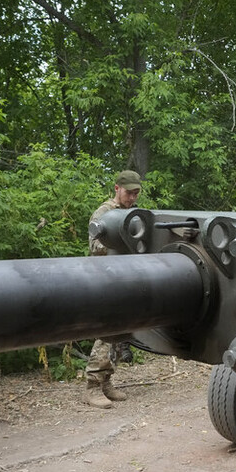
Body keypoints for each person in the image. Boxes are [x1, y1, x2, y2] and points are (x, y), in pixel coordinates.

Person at [84, 169, 142, 408]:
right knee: (106, 333)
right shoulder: (104, 213)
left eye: (136, 193)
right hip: (106, 279)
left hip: (125, 279)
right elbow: (95, 246)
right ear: (117, 188)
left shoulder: (132, 214)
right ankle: (92, 387)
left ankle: (107, 382)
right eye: (129, 193)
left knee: (120, 334)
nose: (132, 198)